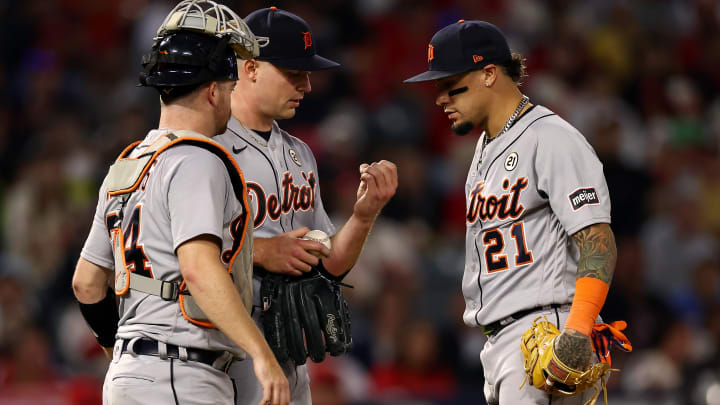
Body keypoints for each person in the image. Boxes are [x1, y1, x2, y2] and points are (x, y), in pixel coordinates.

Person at [71, 1, 289, 404]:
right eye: (228, 88)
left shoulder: (126, 164)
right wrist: (262, 355)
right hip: (182, 373)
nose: (230, 98)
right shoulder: (199, 160)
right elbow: (198, 267)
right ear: (211, 91)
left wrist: (119, 356)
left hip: (126, 376)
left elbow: (86, 283)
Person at [404, 20, 617, 404]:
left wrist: (578, 330)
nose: (439, 99)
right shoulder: (485, 148)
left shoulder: (550, 138)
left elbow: (598, 241)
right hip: (505, 342)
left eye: (450, 85)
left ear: (489, 74)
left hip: (548, 332)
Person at [213, 7, 398, 405]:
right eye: (293, 73)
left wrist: (364, 216)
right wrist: (261, 251)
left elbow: (329, 264)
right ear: (249, 68)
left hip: (288, 348)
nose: (307, 85)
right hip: (223, 348)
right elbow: (180, 253)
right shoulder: (206, 147)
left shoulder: (300, 154)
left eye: (307, 73)